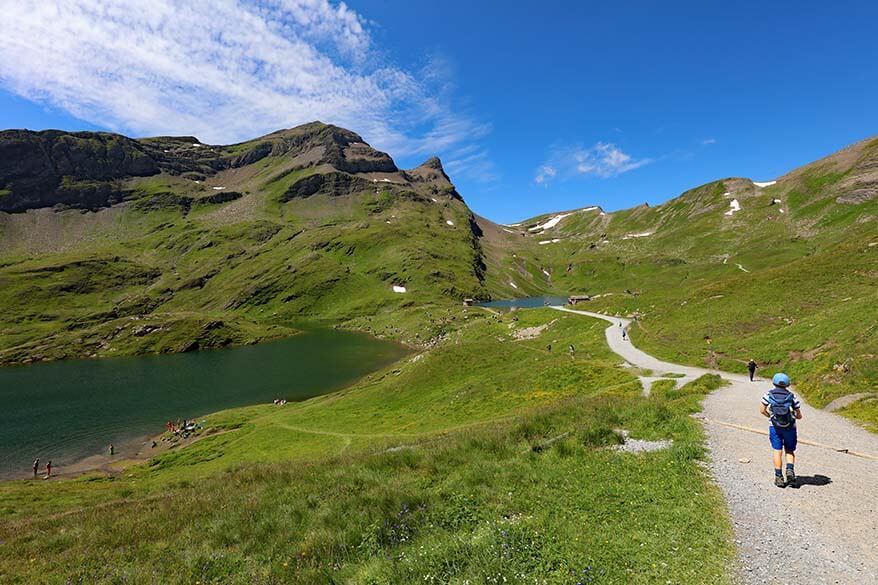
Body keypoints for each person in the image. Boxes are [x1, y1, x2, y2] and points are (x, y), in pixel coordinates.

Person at [760, 373, 802, 487]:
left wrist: (770, 416)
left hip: (774, 427)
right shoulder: (792, 396)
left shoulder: (768, 394)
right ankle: (790, 471)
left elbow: (762, 410)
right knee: (789, 450)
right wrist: (796, 416)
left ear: (774, 383)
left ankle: (778, 477)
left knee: (777, 451)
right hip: (790, 427)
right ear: (787, 384)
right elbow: (799, 414)